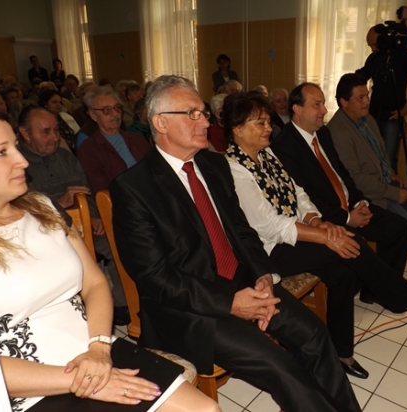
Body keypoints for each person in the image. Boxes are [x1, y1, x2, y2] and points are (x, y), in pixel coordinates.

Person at [109, 75, 361, 412]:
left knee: (315, 333)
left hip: (244, 281)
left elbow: (241, 232)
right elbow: (156, 278)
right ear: (161, 123)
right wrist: (231, 303)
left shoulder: (214, 165)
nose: (205, 122)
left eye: (204, 113)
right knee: (280, 365)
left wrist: (263, 276)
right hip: (191, 309)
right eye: (192, 114)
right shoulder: (134, 188)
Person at [0, 113, 221, 412]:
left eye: (14, 146)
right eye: (2, 152)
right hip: (25, 383)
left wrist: (100, 346)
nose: (22, 161)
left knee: (206, 409)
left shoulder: (43, 207)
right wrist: (84, 380)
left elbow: (94, 282)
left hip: (92, 347)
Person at [223, 92, 407, 378]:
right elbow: (271, 226)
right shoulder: (233, 170)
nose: (269, 128)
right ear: (237, 129)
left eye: (268, 122)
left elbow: (297, 192)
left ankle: (342, 354)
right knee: (348, 241)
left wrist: (317, 221)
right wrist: (324, 235)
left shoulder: (266, 154)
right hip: (268, 251)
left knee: (342, 274)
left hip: (295, 233)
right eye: (260, 123)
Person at [271, 83, 407, 303]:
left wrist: (360, 202)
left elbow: (342, 173)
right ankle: (404, 297)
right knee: (354, 244)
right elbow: (306, 197)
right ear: (297, 109)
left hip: (349, 205)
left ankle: (375, 293)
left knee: (400, 227)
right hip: (326, 217)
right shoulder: (283, 146)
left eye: (323, 103)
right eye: (317, 104)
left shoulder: (322, 133)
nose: (324, 110)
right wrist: (348, 219)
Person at [17, 105, 131, 326]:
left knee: (119, 243)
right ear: (25, 134)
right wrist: (60, 203)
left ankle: (121, 305)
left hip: (83, 226)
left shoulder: (65, 157)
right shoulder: (16, 164)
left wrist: (95, 217)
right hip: (42, 233)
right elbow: (20, 207)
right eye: (45, 132)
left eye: (56, 130)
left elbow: (86, 191)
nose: (54, 137)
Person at [328, 73, 407, 249]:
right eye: (360, 98)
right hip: (369, 194)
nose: (367, 101)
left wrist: (392, 174)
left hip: (385, 181)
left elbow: (381, 155)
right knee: (406, 225)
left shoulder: (367, 119)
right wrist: (395, 193)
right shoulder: (338, 132)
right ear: (344, 102)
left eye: (367, 95)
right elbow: (356, 179)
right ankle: (390, 259)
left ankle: (395, 257)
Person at [356, 25, 407, 173]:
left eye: (374, 44)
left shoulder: (405, 55)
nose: (373, 49)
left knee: (389, 159)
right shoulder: (375, 58)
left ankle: (392, 187)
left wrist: (404, 110)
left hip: (392, 116)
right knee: (369, 157)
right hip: (372, 115)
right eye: (370, 46)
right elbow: (360, 79)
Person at [77, 87, 151, 193]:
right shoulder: (89, 148)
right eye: (107, 110)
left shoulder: (137, 139)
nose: (115, 114)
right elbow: (100, 189)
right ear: (93, 115)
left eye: (117, 108)